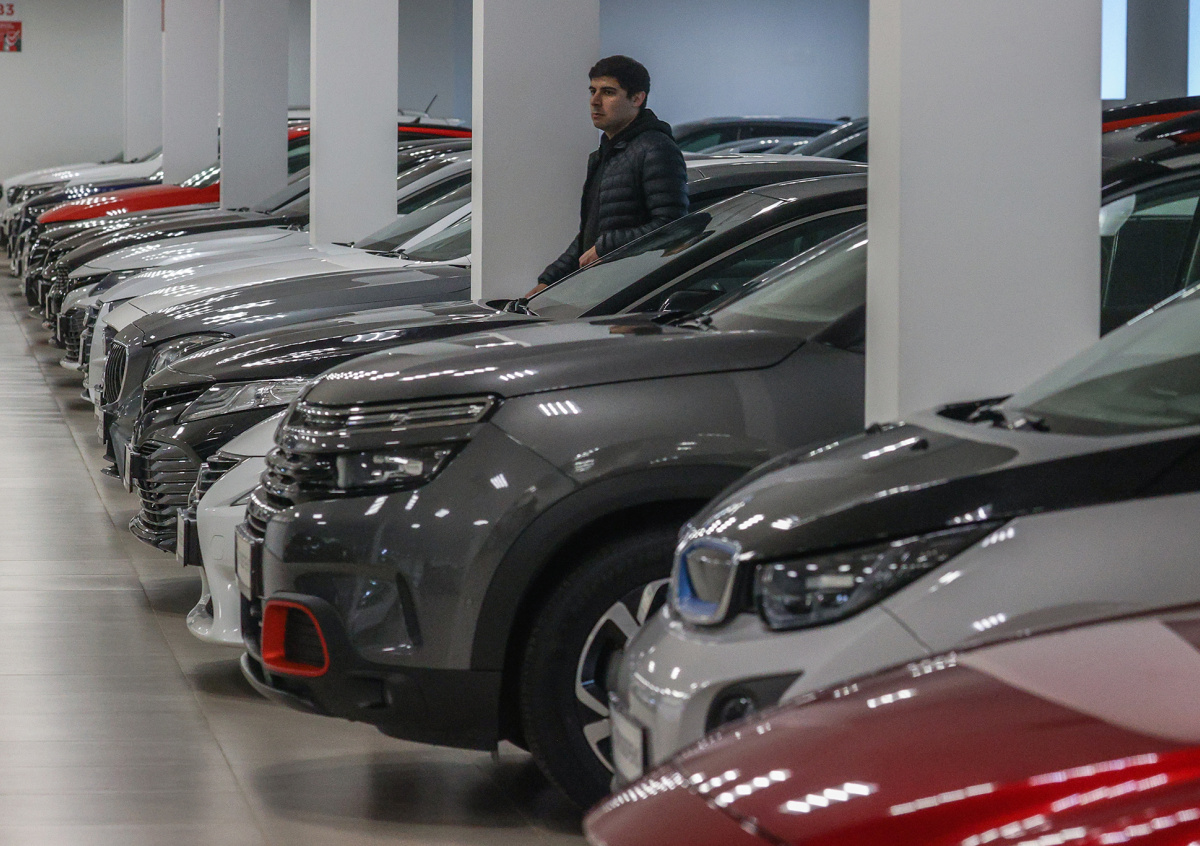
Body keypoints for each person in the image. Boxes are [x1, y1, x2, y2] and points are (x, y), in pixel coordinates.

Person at [531, 55, 688, 295]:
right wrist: (549, 280)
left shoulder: (655, 148)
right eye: (592, 91)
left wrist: (606, 247)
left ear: (637, 98)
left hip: (635, 293)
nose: (595, 101)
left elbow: (672, 226)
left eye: (608, 92)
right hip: (604, 288)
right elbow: (591, 235)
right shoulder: (605, 154)